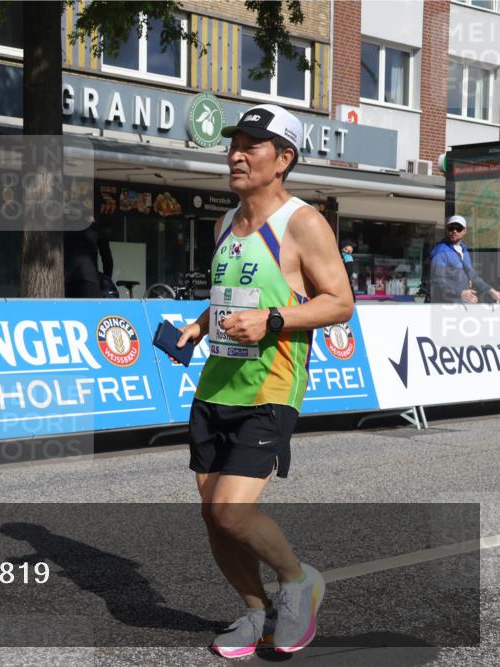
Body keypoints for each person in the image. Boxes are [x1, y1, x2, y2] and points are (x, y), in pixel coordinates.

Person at [175, 104, 354, 658]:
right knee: (214, 517)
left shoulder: (303, 222)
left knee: (232, 511)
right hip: (215, 386)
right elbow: (228, 295)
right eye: (234, 144)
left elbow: (340, 303)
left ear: (283, 159)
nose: (236, 154)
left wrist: (272, 320)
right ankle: (256, 612)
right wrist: (199, 324)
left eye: (251, 145)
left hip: (270, 388)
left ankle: (298, 582)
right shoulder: (224, 224)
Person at [428, 215, 500, 304]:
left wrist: (491, 291)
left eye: (458, 228)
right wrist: (460, 293)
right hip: (445, 305)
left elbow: (473, 276)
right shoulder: (441, 252)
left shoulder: (463, 249)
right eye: (451, 228)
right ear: (447, 230)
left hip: (461, 304)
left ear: (464, 231)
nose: (454, 231)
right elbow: (437, 280)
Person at [64, 217, 113, 298]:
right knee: (91, 306)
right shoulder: (96, 228)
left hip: (67, 279)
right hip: (90, 279)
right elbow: (107, 257)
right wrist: (107, 279)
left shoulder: (65, 227)